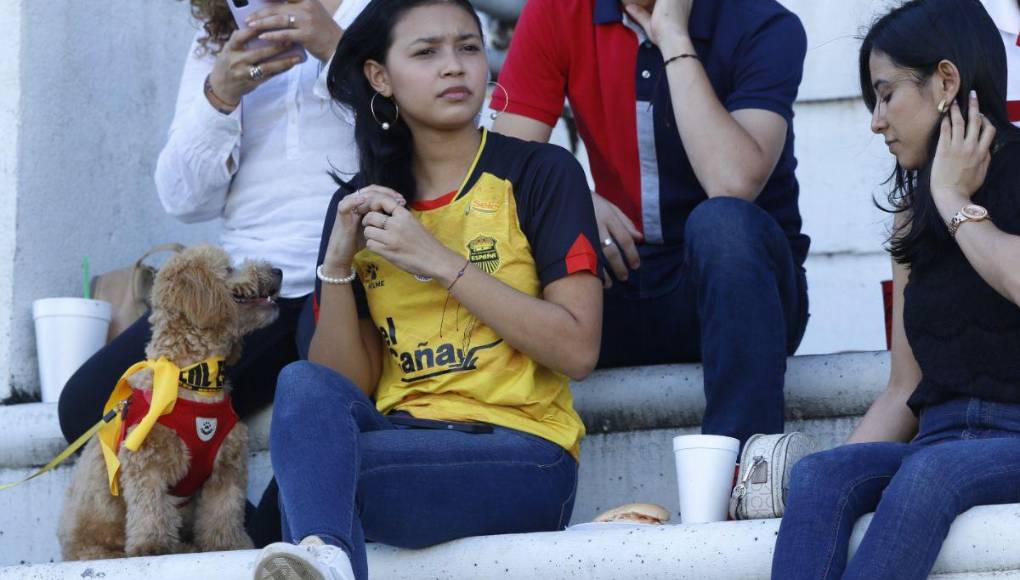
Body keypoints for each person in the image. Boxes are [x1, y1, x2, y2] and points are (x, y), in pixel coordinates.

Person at [251, 1, 603, 579]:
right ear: (379, 77)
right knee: (301, 384)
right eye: (426, 52)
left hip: (522, 451)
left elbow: (578, 349)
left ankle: (325, 555)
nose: (454, 66)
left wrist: (438, 261)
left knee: (315, 479)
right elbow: (346, 386)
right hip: (399, 439)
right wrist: (337, 266)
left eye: (468, 47)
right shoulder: (362, 206)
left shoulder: (542, 172)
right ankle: (328, 559)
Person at [57, 0, 369, 546]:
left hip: (351, 270)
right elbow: (183, 199)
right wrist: (220, 95)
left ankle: (262, 540)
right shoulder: (224, 30)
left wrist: (338, 52)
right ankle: (212, 527)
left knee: (322, 415)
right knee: (88, 407)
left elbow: (428, 135)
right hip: (246, 285)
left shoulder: (382, 11)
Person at [771, 1, 1020, 578]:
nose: (876, 121)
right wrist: (842, 469)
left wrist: (954, 200)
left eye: (886, 95)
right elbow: (903, 388)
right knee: (820, 475)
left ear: (946, 82)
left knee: (931, 472)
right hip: (940, 440)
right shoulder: (912, 215)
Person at [491, 0, 810, 445]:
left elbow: (731, 182)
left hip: (742, 294)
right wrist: (576, 199)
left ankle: (743, 466)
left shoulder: (762, 23)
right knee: (506, 230)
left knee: (722, 224)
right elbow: (504, 173)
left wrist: (674, 38)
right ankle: (498, 452)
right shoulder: (559, 11)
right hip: (621, 274)